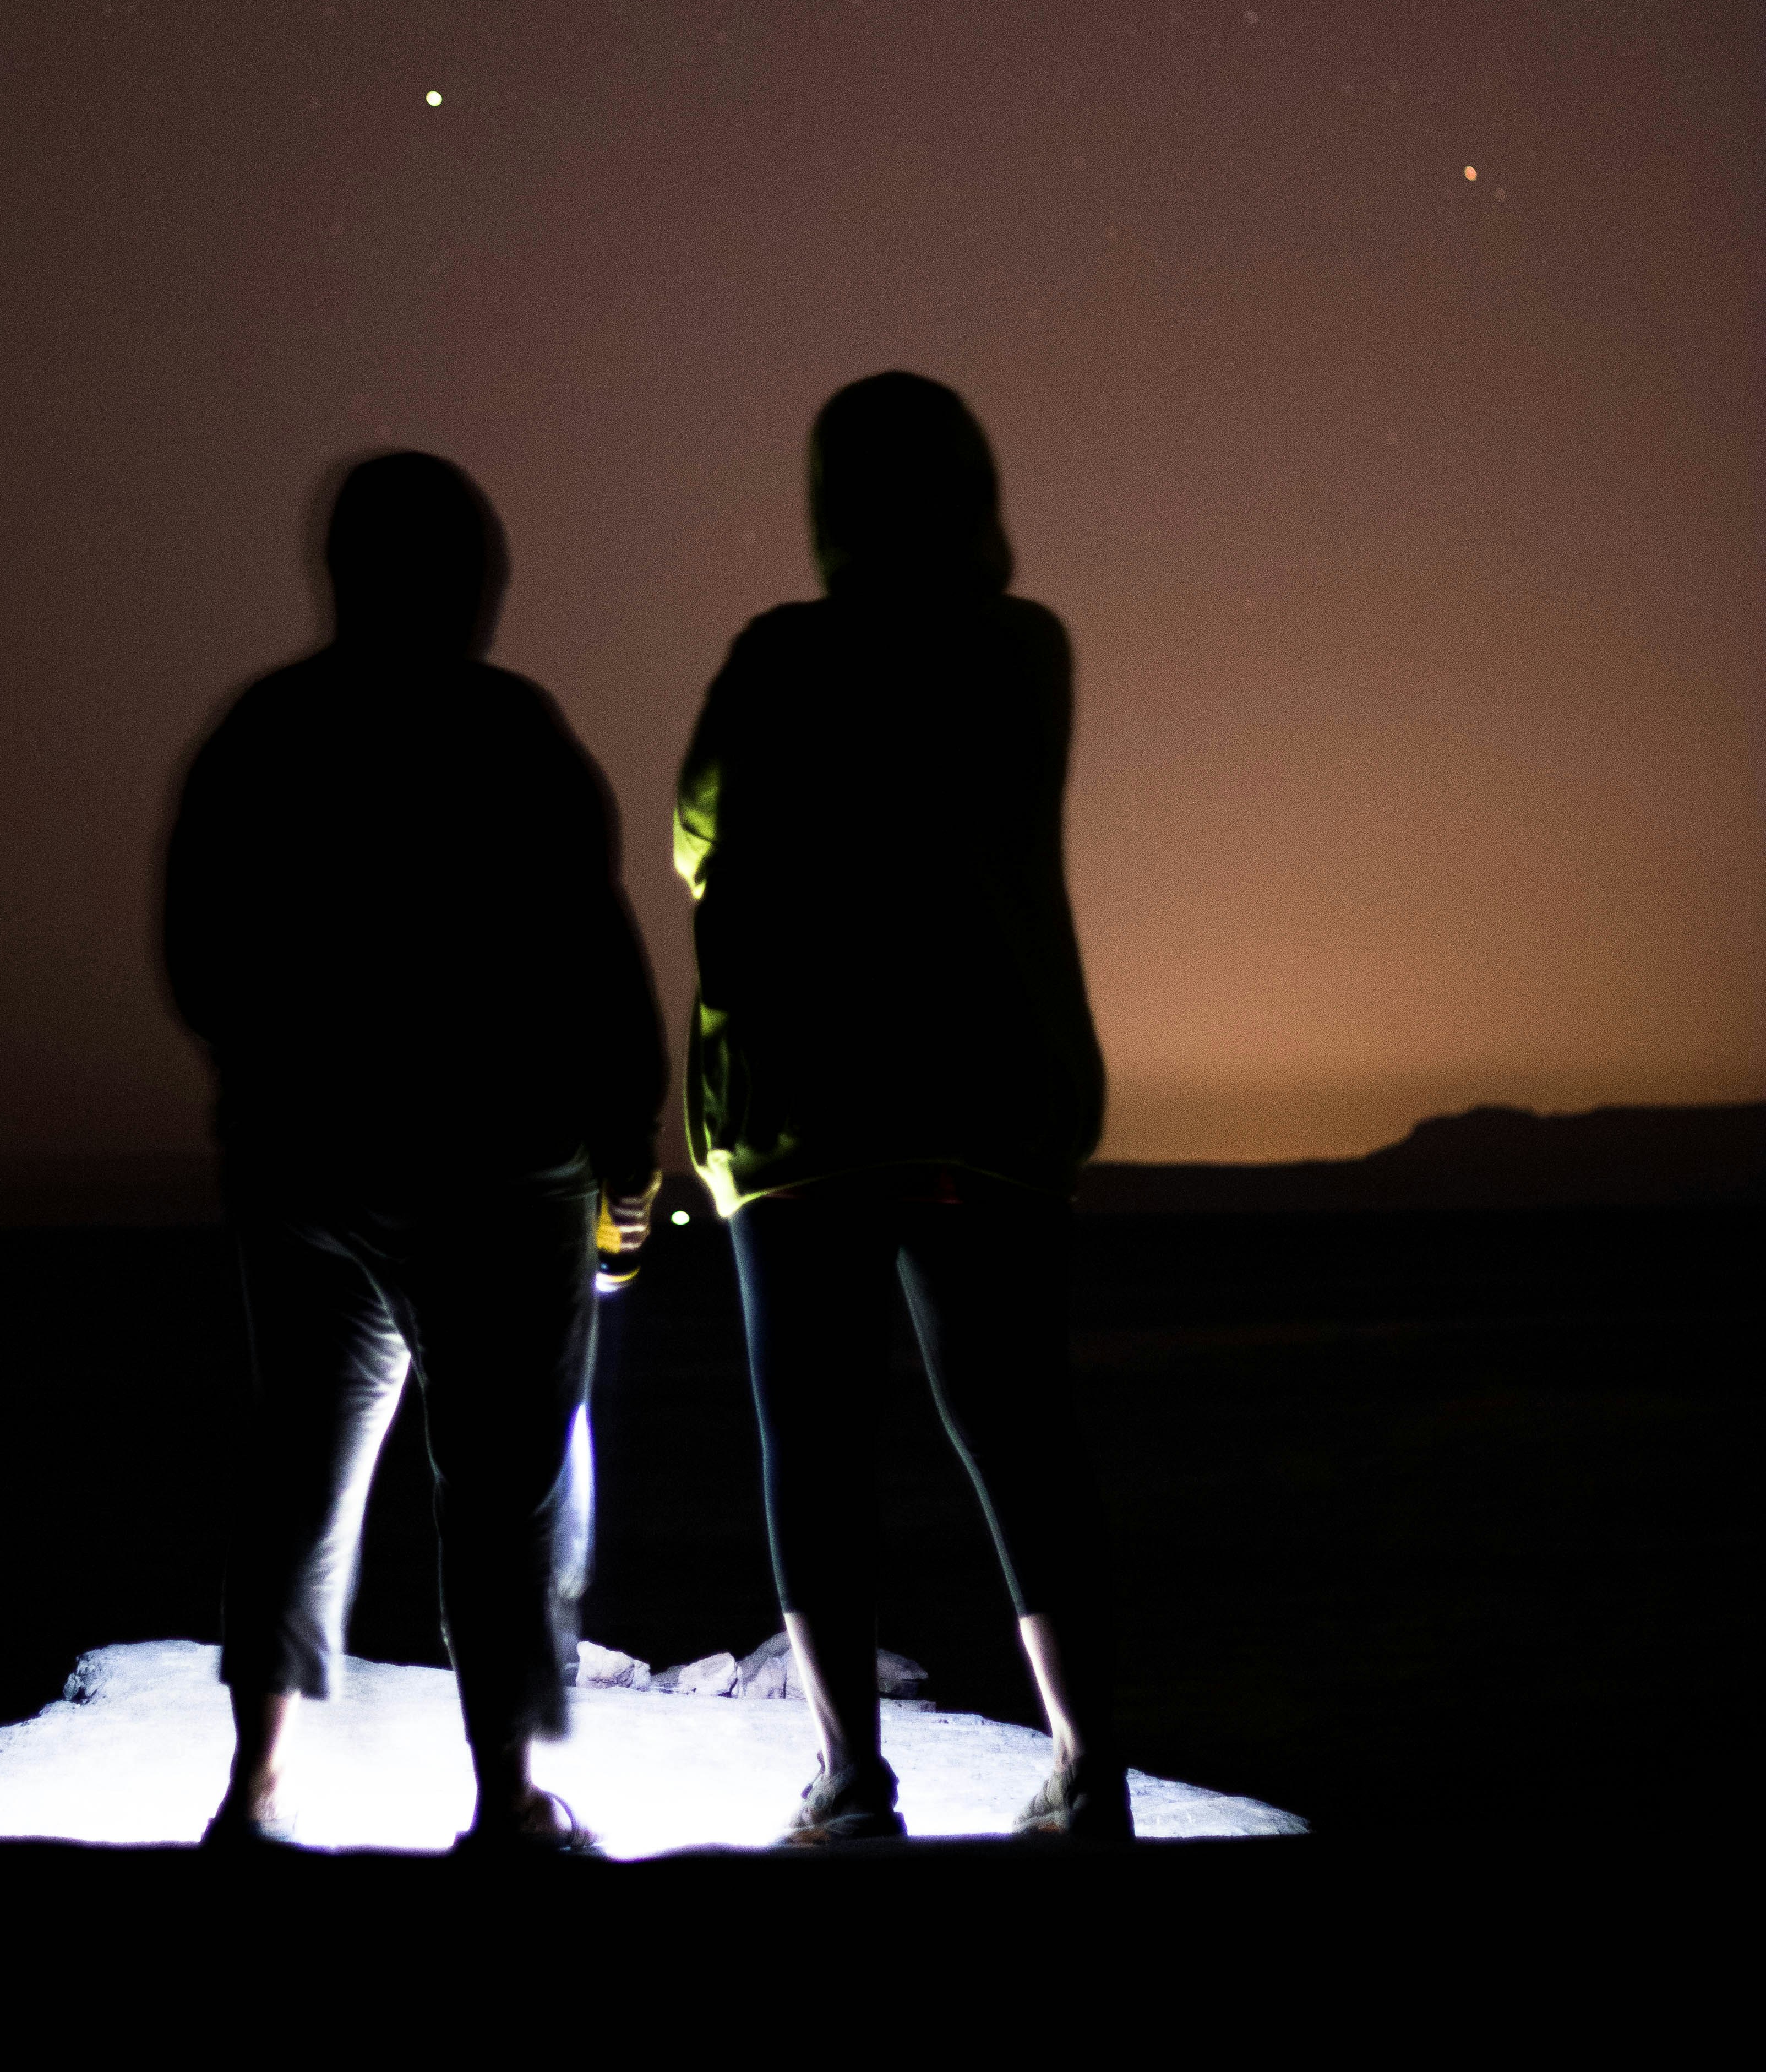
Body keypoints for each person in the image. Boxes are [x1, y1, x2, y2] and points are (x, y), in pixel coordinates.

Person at [165, 450, 666, 1852]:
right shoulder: (513, 732)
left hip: (301, 1162)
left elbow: (195, 955)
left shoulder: (263, 731)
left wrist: (273, 1077)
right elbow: (595, 949)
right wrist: (628, 1140)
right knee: (504, 1488)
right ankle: (506, 1799)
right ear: (466, 583)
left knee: (299, 1472)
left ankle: (255, 1786)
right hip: (499, 1167)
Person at [674, 372, 1128, 1846]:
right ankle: (1090, 1760)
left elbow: (703, 835)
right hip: (989, 1103)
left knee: (813, 1442)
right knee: (1019, 1434)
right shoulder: (1026, 650)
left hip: (805, 1112)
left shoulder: (779, 656)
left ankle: (851, 1782)